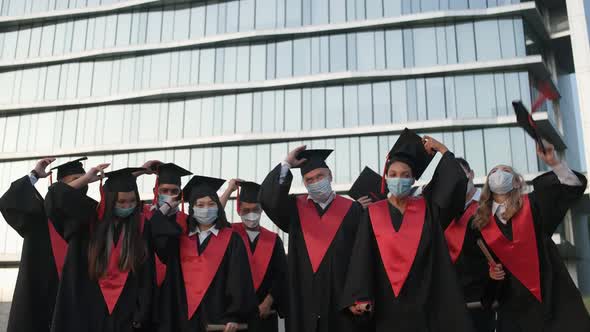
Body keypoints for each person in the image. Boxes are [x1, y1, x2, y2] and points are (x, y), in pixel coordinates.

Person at [340, 128, 474, 332]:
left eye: (405, 175)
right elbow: (362, 257)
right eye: (393, 174)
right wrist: (359, 296)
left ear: (413, 180)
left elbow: (452, 183)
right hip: (386, 304)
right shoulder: (373, 213)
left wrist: (442, 150)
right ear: (385, 177)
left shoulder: (428, 208)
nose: (399, 179)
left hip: (425, 301)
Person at [476, 141, 590, 331]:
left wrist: (554, 163)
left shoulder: (535, 206)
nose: (498, 174)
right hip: (515, 311)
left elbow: (571, 188)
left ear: (516, 181)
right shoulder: (480, 225)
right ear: (488, 183)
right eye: (494, 172)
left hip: (553, 299)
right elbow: (480, 277)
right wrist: (492, 277)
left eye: (505, 171)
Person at [258, 148, 365, 332]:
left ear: (330, 176)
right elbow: (268, 199)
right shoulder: (294, 209)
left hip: (340, 302)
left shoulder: (353, 210)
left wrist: (357, 296)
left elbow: (361, 258)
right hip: (303, 302)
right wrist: (287, 164)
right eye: (310, 179)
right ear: (304, 183)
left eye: (320, 176)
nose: (316, 182)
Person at [45, 166, 155, 332]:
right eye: (122, 202)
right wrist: (87, 178)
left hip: (124, 310)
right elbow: (55, 196)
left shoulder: (140, 226)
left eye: (132, 201)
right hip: (87, 306)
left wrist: (141, 312)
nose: (128, 206)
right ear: (110, 200)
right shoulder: (87, 219)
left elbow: (147, 273)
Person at [151, 175, 258, 332]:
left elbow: (239, 281)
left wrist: (234, 316)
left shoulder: (232, 239)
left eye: (211, 204)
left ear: (218, 207)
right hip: (182, 318)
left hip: (218, 320)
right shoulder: (179, 238)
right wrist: (167, 205)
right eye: (200, 205)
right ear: (192, 209)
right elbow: (154, 229)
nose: (206, 209)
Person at [0, 157, 86, 332]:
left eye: (84, 179)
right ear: (58, 184)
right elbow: (9, 202)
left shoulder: (90, 217)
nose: (82, 184)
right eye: (75, 180)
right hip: (39, 301)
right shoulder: (39, 217)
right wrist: (35, 175)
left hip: (76, 303)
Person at [220, 180, 288, 332]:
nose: (251, 214)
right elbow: (216, 216)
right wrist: (229, 189)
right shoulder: (230, 233)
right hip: (234, 315)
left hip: (264, 313)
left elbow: (281, 275)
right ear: (239, 210)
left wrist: (268, 302)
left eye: (255, 209)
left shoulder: (273, 239)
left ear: (261, 209)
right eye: (246, 210)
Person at [443, 158, 495, 332]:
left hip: (482, 298)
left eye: (461, 174)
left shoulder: (490, 205)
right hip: (449, 299)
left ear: (471, 174)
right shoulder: (442, 211)